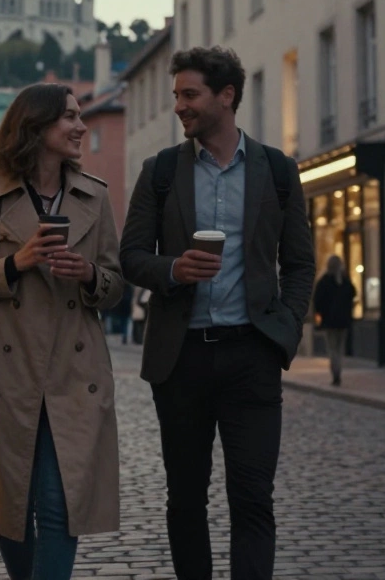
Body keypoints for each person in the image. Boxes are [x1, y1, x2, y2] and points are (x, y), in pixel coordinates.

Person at [119, 46, 313, 580]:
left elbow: (298, 263)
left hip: (252, 355)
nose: (179, 106)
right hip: (180, 361)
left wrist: (285, 328)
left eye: (189, 94)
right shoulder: (160, 173)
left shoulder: (276, 170)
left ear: (226, 97)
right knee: (185, 500)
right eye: (176, 95)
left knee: (253, 498)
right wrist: (173, 270)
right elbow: (131, 256)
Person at [0, 82, 125, 580]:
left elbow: (115, 286)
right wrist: (15, 264)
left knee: (59, 503)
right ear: (36, 126)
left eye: (80, 116)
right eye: (68, 117)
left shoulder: (95, 196)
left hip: (73, 373)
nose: (81, 126)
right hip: (6, 375)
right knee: (11, 508)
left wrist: (89, 275)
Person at [312, 255, 356, 387]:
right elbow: (354, 294)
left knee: (332, 349)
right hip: (343, 321)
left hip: (329, 321)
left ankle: (336, 374)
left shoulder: (324, 281)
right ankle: (338, 371)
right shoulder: (345, 281)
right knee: (339, 348)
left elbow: (317, 301)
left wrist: (321, 314)